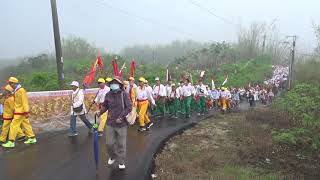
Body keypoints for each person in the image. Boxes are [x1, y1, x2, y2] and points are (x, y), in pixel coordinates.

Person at [97, 76, 132, 170]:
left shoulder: (124, 94)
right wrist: (100, 112)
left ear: (120, 85)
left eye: (115, 83)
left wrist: (121, 117)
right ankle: (112, 156)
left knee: (121, 144)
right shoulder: (108, 94)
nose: (113, 85)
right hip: (110, 123)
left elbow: (129, 107)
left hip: (121, 124)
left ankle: (121, 161)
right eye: (112, 83)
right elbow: (105, 106)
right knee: (109, 143)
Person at [2, 77, 37, 148]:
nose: (10, 84)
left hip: (20, 111)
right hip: (20, 111)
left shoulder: (21, 90)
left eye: (11, 83)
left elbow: (24, 101)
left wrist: (26, 111)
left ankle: (11, 142)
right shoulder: (17, 90)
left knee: (13, 125)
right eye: (9, 83)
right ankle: (32, 138)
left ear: (14, 83)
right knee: (26, 124)